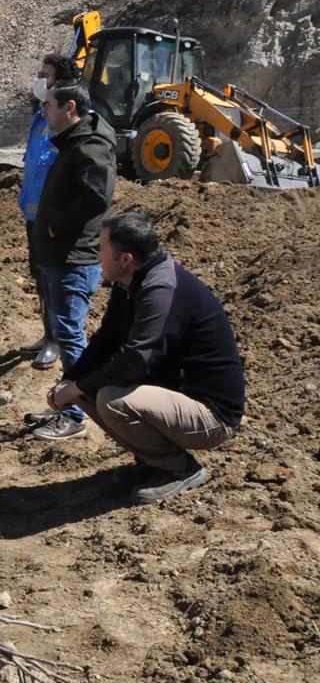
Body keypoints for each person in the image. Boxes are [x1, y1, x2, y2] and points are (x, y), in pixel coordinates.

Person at [48, 211, 244, 503]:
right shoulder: (131, 280)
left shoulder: (159, 288)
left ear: (125, 259)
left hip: (211, 415)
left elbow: (137, 359)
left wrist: (80, 386)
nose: (96, 256)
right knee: (87, 389)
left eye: (101, 250)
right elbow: (107, 338)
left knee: (112, 399)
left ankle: (181, 470)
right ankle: (152, 463)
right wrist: (71, 381)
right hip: (175, 395)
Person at [30, 81, 118, 441]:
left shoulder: (90, 145)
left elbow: (97, 197)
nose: (43, 111)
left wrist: (54, 226)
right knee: (67, 332)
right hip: (61, 255)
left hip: (73, 258)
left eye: (49, 105)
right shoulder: (77, 141)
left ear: (70, 108)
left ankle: (76, 412)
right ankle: (68, 402)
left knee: (69, 334)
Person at [18, 53, 78, 370]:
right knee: (39, 276)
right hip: (33, 210)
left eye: (46, 74)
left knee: (55, 279)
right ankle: (47, 335)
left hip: (53, 214)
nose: (40, 79)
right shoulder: (41, 116)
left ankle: (57, 342)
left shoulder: (68, 118)